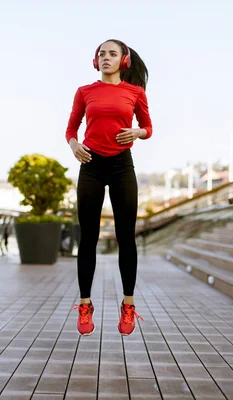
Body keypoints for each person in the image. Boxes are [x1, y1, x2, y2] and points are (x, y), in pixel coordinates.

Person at [65, 39, 153, 336]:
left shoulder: (135, 93)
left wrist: (137, 132)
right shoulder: (84, 92)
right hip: (90, 164)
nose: (105, 57)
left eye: (112, 54)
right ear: (95, 60)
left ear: (123, 61)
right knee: (87, 237)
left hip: (121, 167)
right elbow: (70, 128)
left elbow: (148, 127)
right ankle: (85, 304)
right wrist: (75, 145)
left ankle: (128, 305)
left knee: (125, 236)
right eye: (101, 54)